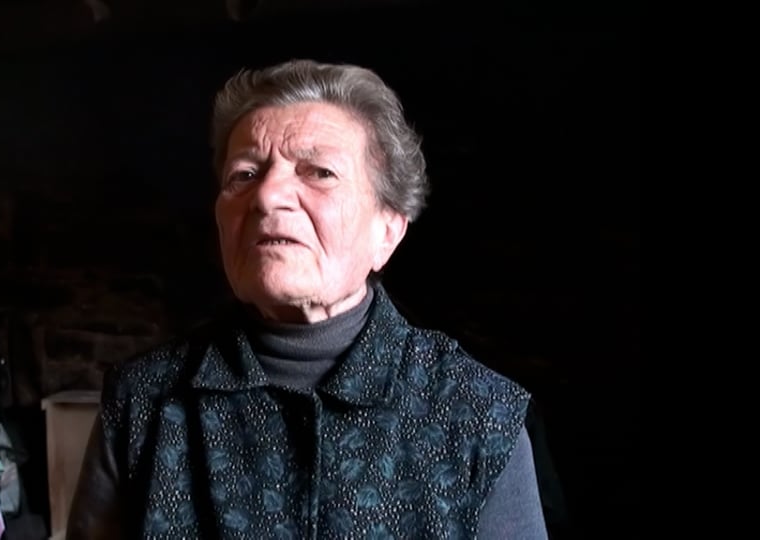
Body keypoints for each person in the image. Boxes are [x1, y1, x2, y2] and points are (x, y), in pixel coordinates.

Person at [67, 58, 550, 539]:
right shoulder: (143, 401)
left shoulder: (479, 414)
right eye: (244, 174)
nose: (267, 196)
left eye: (319, 171)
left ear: (387, 231)